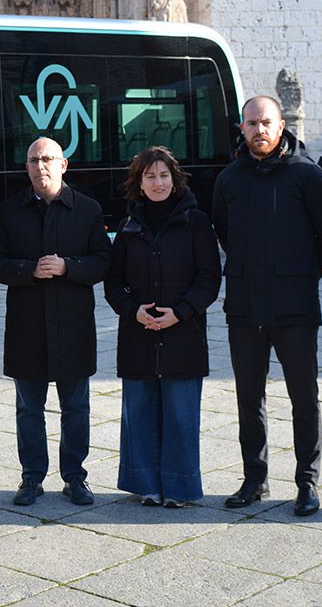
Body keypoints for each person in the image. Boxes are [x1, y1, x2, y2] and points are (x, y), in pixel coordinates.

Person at [213, 96, 322, 516]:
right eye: (251, 123)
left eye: (266, 122)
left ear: (281, 124)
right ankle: (255, 478)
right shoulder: (230, 179)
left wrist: (299, 276)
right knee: (248, 399)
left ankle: (307, 482)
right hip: (245, 306)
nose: (259, 130)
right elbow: (224, 233)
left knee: (304, 397)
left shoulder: (307, 175)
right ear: (242, 127)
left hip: (295, 308)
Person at [0, 137, 112, 507]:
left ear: (63, 165)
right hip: (27, 327)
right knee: (29, 408)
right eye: (33, 160)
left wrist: (68, 267)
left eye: (47, 159)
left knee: (76, 407)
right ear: (26, 168)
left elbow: (104, 261)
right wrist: (29, 270)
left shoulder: (87, 209)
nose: (40, 166)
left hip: (73, 326)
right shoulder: (10, 211)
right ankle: (31, 478)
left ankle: (75, 477)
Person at [105, 146, 220, 508]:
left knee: (180, 413)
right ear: (139, 183)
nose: (158, 182)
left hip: (183, 331)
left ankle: (181, 487)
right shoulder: (127, 226)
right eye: (150, 176)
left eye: (164, 175)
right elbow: (113, 282)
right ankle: (145, 484)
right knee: (139, 412)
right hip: (138, 332)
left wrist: (181, 312)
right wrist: (131, 310)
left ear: (176, 179)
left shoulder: (196, 221)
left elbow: (209, 279)